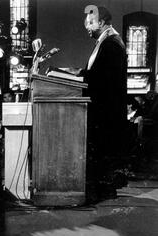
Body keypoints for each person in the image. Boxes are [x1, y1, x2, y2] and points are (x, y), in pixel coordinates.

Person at [81, 6, 128, 201]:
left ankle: (102, 192)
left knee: (103, 153)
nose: (87, 28)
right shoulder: (106, 42)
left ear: (101, 22)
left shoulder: (112, 44)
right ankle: (101, 190)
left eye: (90, 23)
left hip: (106, 112)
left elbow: (103, 80)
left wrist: (79, 75)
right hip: (105, 109)